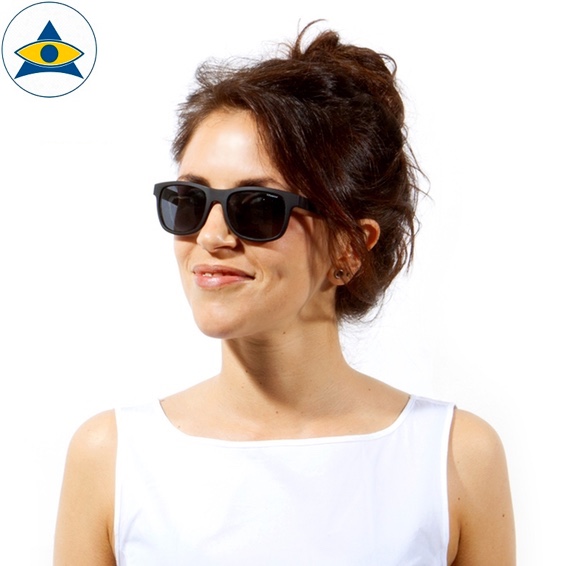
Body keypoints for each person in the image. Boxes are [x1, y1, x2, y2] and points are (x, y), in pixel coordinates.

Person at [54, 22, 515, 565]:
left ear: (349, 248)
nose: (211, 237)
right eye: (190, 201)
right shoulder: (112, 458)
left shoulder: (454, 457)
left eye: (257, 207)